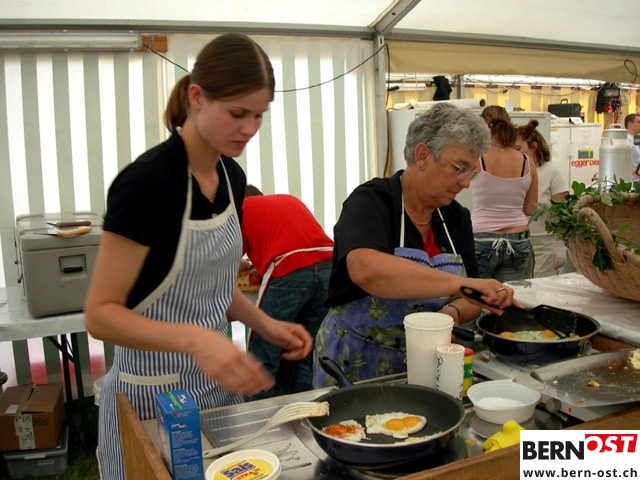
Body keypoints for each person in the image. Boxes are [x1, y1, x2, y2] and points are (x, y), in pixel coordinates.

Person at [84, 34, 313, 480]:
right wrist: (198, 340)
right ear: (196, 97)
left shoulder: (232, 177)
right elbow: (100, 315)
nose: (249, 128)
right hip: (149, 397)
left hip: (215, 392)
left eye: (259, 115)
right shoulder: (146, 184)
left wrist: (267, 325)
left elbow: (213, 287)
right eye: (237, 113)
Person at [312, 103, 521, 388]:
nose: (466, 183)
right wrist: (460, 285)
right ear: (423, 155)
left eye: (472, 173)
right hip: (353, 363)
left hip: (424, 363)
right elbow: (366, 269)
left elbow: (469, 297)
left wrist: (452, 313)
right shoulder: (372, 201)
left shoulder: (456, 218)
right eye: (460, 168)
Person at [241, 186, 334, 400]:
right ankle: (301, 411)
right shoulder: (288, 200)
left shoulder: (240, 208)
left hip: (289, 266)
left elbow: (229, 260)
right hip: (330, 264)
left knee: (263, 352)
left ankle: (258, 414)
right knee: (308, 351)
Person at [471, 105, 538, 282]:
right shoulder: (527, 162)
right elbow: (530, 208)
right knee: (510, 296)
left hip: (482, 238)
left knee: (478, 295)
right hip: (518, 240)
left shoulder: (477, 158)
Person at [515, 120, 569, 277]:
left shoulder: (552, 172)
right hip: (520, 242)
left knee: (539, 286)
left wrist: (560, 244)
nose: (514, 153)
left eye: (518, 148)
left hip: (544, 245)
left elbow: (562, 213)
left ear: (534, 146)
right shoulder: (517, 171)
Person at [623, 113, 640, 184]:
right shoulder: (625, 140)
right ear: (630, 124)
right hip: (633, 181)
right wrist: (635, 174)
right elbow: (620, 161)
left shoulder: (636, 139)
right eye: (639, 122)